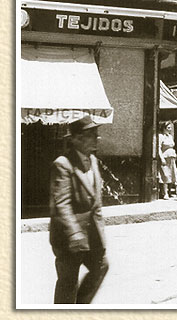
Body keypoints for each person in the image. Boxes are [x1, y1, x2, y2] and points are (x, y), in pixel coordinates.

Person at [49, 116, 108, 304]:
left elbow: (95, 201)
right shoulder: (63, 164)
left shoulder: (93, 160)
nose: (96, 138)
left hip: (91, 236)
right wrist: (74, 233)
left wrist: (101, 231)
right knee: (68, 283)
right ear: (76, 138)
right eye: (91, 134)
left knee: (101, 267)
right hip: (68, 237)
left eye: (96, 134)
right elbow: (61, 204)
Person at [158, 120, 177, 199]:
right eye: (168, 128)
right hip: (165, 158)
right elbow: (159, 148)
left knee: (172, 174)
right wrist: (162, 158)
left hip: (172, 157)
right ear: (164, 128)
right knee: (165, 175)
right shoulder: (161, 136)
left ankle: (170, 192)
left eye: (171, 127)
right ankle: (165, 193)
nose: (170, 129)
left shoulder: (170, 136)